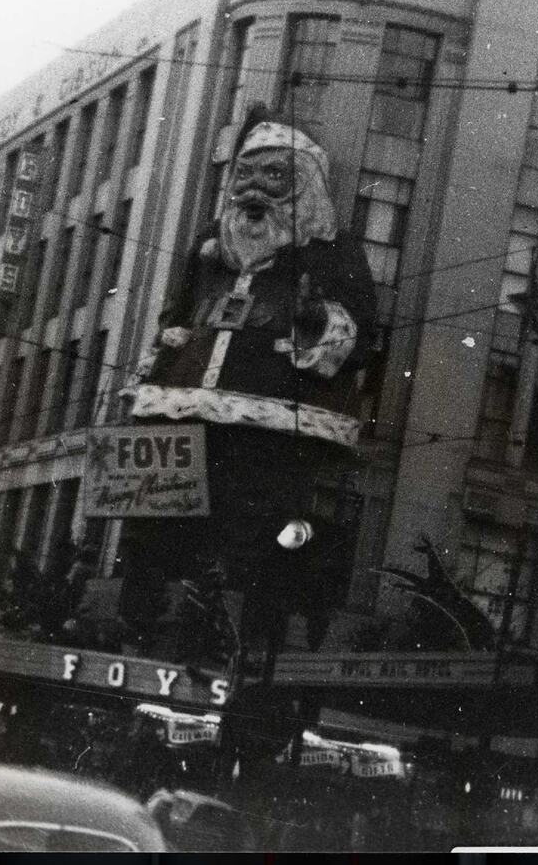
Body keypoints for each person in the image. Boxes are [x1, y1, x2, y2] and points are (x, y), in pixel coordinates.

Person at [120, 107, 378, 649]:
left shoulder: (333, 254)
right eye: (245, 175)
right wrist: (172, 334)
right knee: (156, 518)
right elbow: (179, 309)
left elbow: (359, 334)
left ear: (305, 186)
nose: (253, 189)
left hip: (273, 410)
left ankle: (241, 623)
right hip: (181, 401)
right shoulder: (210, 248)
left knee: (255, 525)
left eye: (275, 176)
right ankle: (149, 609)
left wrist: (314, 320)